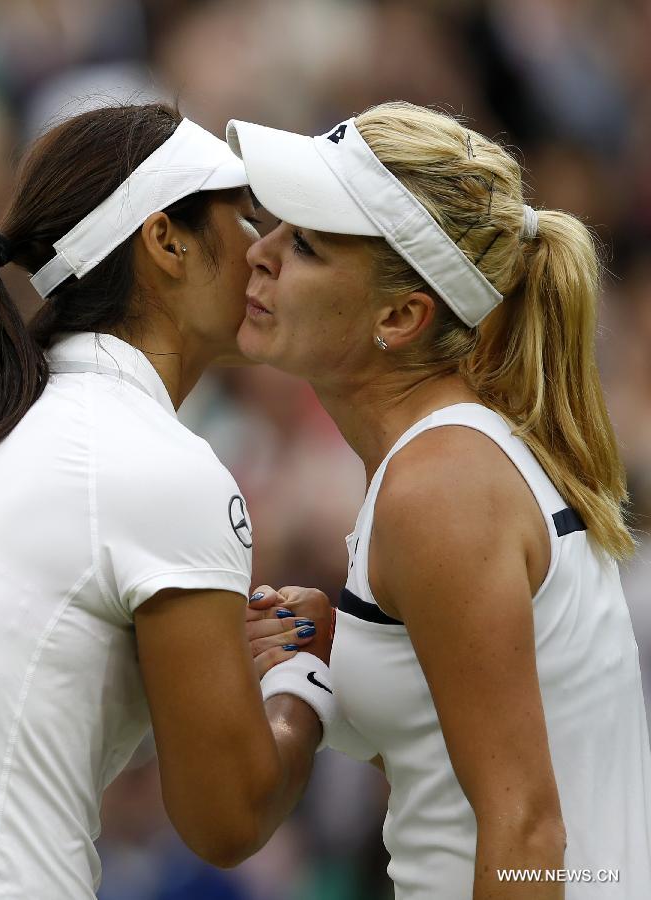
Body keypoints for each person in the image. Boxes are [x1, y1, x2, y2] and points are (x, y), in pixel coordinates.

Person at [0, 103, 335, 900]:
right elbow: (228, 818)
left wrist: (203, 659)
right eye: (247, 216)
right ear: (166, 241)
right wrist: (303, 675)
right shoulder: (163, 469)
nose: (267, 253)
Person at [230, 101, 651, 899]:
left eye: (307, 244)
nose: (262, 253)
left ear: (400, 316)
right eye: (274, 226)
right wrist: (346, 645)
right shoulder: (446, 459)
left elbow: (526, 828)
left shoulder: (441, 487)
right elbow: (454, 767)